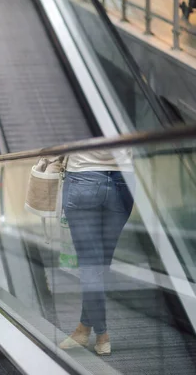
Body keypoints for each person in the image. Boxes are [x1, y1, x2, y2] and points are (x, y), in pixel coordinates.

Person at [59, 149, 135, 356]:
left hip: (84, 176)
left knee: (92, 264)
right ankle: (82, 330)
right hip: (123, 178)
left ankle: (102, 336)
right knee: (101, 264)